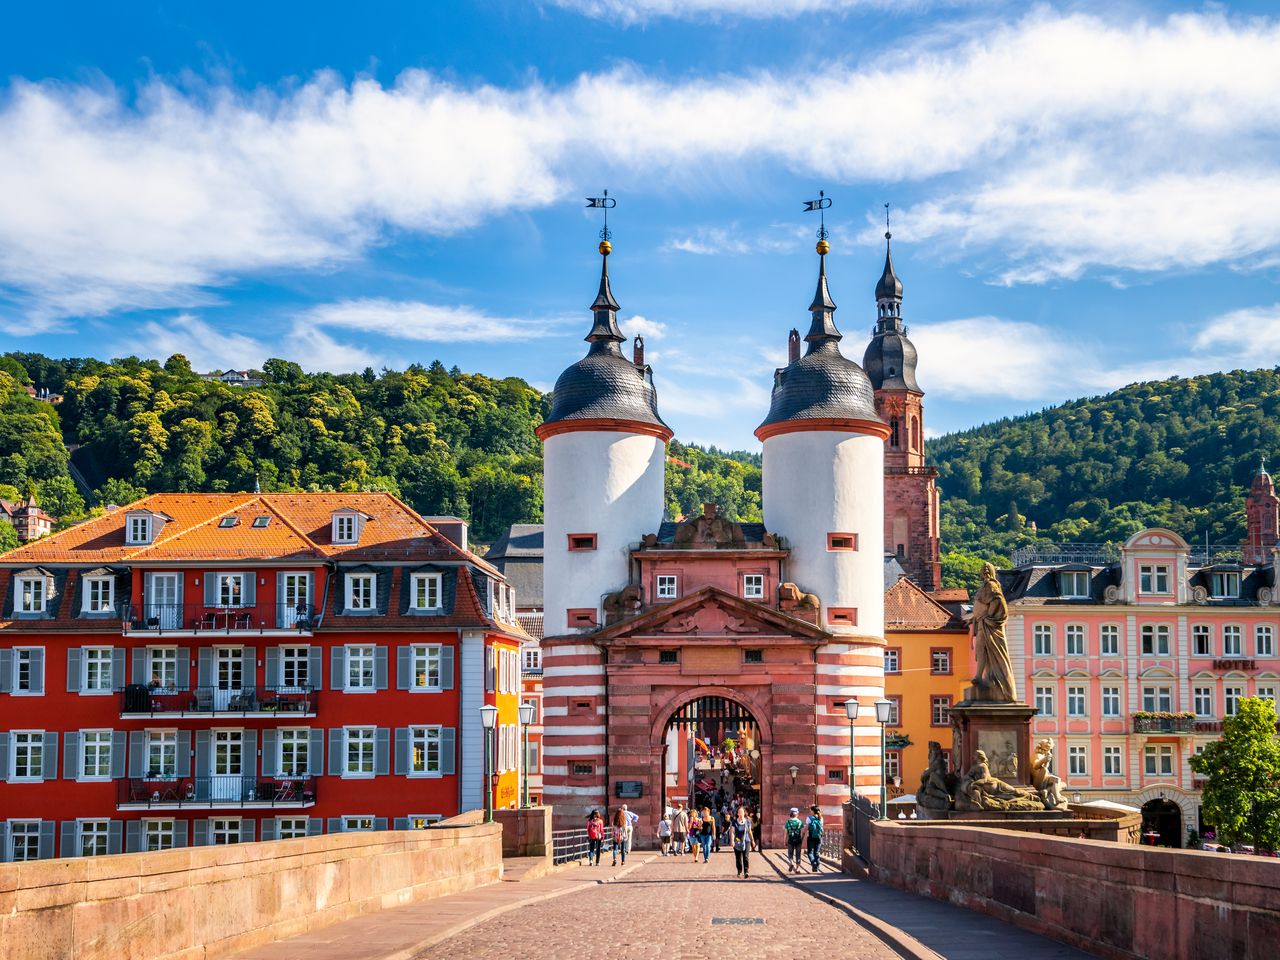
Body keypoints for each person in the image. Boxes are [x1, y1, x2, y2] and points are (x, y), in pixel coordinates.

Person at [731, 805, 754, 878]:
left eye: (742, 812)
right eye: (739, 812)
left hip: (746, 841)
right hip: (737, 841)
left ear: (744, 813)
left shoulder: (747, 821)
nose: (740, 813)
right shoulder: (734, 822)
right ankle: (739, 871)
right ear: (737, 813)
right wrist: (732, 841)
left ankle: (746, 871)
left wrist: (752, 840)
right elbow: (732, 832)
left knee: (746, 856)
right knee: (738, 857)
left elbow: (750, 832)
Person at [784, 807, 804, 872]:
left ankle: (791, 863)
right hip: (798, 840)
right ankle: (797, 869)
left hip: (790, 840)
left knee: (790, 853)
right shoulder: (800, 822)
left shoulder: (787, 822)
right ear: (797, 814)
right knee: (798, 854)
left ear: (790, 814)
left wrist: (785, 840)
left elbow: (785, 833)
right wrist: (801, 839)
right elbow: (802, 832)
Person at [805, 804, 824, 872]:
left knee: (810, 852)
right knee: (817, 852)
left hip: (810, 837)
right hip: (819, 837)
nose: (810, 811)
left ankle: (813, 863)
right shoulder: (821, 818)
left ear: (813, 811)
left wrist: (803, 835)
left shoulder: (809, 818)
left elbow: (806, 828)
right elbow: (821, 827)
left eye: (811, 810)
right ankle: (817, 865)